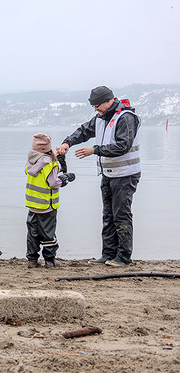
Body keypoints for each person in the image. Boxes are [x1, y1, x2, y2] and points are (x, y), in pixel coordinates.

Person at [57, 86, 140, 267]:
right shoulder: (101, 118)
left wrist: (95, 150)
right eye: (93, 106)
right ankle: (108, 254)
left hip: (125, 175)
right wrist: (67, 142)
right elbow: (85, 130)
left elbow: (123, 145)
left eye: (97, 105)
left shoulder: (126, 117)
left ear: (109, 100)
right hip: (108, 174)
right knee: (108, 215)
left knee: (121, 215)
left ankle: (123, 257)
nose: (95, 109)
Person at [26, 134, 75, 268]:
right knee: (48, 233)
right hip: (47, 205)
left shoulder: (31, 160)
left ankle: (32, 260)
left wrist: (56, 156)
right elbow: (53, 182)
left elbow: (42, 160)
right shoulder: (50, 163)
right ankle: (49, 260)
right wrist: (65, 179)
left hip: (33, 205)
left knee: (33, 234)